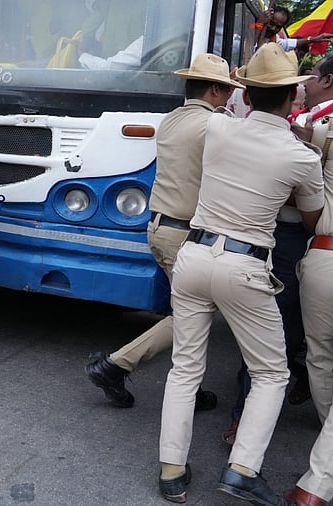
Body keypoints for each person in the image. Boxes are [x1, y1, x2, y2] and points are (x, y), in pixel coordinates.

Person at [157, 43, 322, 505]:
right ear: (292, 96)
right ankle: (243, 470)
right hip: (246, 267)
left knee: (185, 367)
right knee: (271, 374)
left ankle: (172, 471)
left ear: (245, 96)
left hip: (194, 253)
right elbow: (312, 220)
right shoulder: (301, 157)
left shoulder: (217, 128)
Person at [86, 54, 242, 413]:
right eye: (227, 90)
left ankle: (190, 384)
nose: (229, 97)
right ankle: (114, 365)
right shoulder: (213, 125)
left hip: (161, 228)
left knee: (190, 312)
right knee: (194, 315)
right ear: (215, 89)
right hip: (185, 234)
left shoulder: (172, 119)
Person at [223, 52, 333, 446]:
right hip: (299, 241)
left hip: (313, 242)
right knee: (279, 327)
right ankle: (249, 414)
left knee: (310, 342)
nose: (305, 86)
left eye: (312, 77)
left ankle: (320, 423)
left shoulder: (323, 130)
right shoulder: (308, 127)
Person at [283, 68, 333, 506]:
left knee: (320, 360)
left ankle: (325, 477)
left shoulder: (328, 133)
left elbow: (284, 124)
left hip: (328, 257)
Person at [255, 5, 333, 53]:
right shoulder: (249, 26)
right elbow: (247, 45)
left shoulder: (274, 40)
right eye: (271, 23)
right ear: (267, 18)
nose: (273, 28)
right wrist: (259, 24)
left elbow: (288, 43)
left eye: (278, 27)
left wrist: (312, 39)